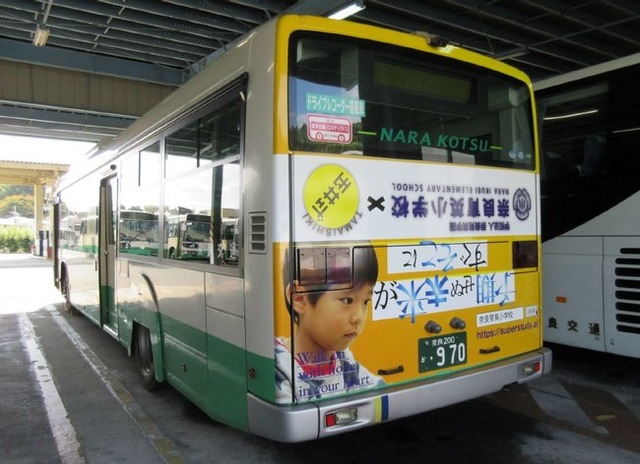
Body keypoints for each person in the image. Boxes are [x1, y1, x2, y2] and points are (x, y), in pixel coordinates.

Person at [275, 245, 384, 403]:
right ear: (299, 298)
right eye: (347, 300)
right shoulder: (278, 371)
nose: (358, 317)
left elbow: (381, 394)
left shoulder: (346, 364)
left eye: (366, 301)